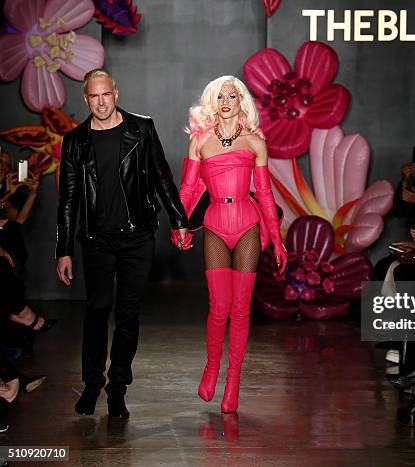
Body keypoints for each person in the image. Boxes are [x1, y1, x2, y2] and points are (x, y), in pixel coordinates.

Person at [55, 68, 189, 419]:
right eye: (93, 97)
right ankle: (91, 383)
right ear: (86, 99)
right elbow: (68, 199)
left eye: (106, 94)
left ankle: (117, 387)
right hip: (96, 240)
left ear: (116, 93)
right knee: (97, 311)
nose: (101, 102)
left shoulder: (140, 129)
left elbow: (161, 176)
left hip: (137, 237)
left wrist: (179, 219)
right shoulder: (76, 141)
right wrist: (64, 249)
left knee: (128, 315)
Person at [175, 75, 287, 413]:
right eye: (220, 95)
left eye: (233, 95)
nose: (226, 100)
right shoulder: (199, 142)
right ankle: (212, 366)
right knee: (218, 307)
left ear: (242, 102)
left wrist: (277, 239)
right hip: (214, 225)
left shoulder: (255, 143)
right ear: (213, 100)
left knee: (240, 308)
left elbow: (265, 194)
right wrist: (179, 225)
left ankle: (233, 381)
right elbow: (189, 189)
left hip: (247, 226)